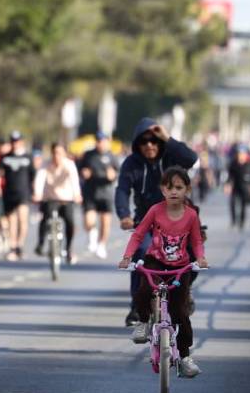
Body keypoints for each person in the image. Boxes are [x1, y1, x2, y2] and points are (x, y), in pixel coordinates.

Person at [118, 167, 208, 378]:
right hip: (156, 262)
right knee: (143, 292)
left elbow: (196, 240)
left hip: (180, 267)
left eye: (179, 187)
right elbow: (138, 235)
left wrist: (200, 258)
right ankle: (143, 322)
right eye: (169, 187)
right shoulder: (155, 211)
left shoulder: (191, 215)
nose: (174, 191)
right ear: (162, 190)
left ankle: (185, 358)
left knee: (181, 313)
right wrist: (127, 257)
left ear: (187, 189)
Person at [115, 118, 198, 326]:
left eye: (154, 140)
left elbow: (191, 159)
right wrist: (124, 215)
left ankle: (185, 290)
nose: (149, 145)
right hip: (146, 222)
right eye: (144, 141)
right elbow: (122, 190)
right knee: (141, 254)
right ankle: (137, 308)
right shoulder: (131, 163)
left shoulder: (172, 157)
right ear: (137, 144)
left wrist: (167, 139)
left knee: (193, 256)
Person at [33, 143, 82, 264]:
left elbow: (74, 180)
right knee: (45, 218)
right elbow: (39, 179)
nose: (57, 156)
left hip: (66, 198)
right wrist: (37, 193)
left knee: (70, 222)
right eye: (55, 153)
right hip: (50, 198)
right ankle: (41, 244)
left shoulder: (69, 165)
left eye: (60, 153)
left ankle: (69, 249)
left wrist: (77, 194)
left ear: (64, 154)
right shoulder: (45, 164)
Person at [0, 132, 35, 261]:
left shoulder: (28, 157)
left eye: (17, 141)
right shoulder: (5, 157)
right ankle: (12, 247)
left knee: (23, 220)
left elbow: (33, 175)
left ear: (21, 142)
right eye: (13, 141)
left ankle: (19, 246)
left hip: (24, 193)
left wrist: (35, 191)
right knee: (12, 222)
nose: (15, 144)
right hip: (9, 194)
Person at [79, 131, 117, 259]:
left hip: (106, 193)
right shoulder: (88, 155)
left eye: (102, 141)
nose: (100, 143)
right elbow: (80, 169)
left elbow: (117, 172)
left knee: (105, 222)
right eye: (98, 141)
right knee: (89, 220)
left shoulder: (111, 156)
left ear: (107, 141)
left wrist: (113, 175)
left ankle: (102, 245)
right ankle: (92, 233)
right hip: (90, 192)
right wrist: (84, 173)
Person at [226, 145, 250, 230]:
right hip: (236, 186)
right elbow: (230, 176)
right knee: (232, 203)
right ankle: (234, 220)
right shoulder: (233, 164)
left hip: (245, 187)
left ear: (245, 155)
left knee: (243, 205)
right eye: (239, 154)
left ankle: (242, 222)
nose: (240, 156)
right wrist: (228, 185)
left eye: (242, 154)